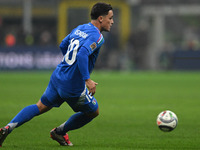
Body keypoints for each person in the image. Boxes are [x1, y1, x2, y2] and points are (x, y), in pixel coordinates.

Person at [0, 2, 114, 147]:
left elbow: (62, 44)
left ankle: (8, 127)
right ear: (100, 19)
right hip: (73, 86)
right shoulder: (98, 37)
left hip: (58, 76)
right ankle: (59, 132)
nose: (112, 21)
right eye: (110, 18)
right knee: (93, 112)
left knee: (40, 106)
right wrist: (87, 80)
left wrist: (69, 66)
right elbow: (82, 54)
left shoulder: (80, 28)